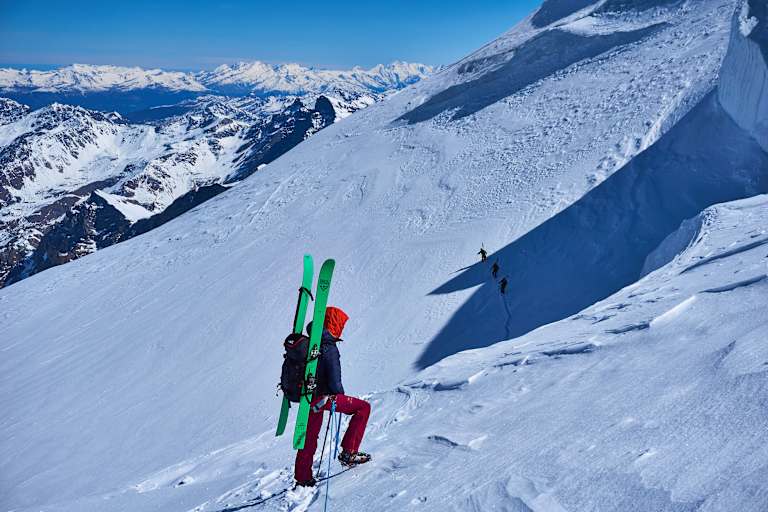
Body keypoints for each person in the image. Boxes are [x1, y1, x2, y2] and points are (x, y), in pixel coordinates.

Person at [294, 306, 371, 487]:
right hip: (325, 397)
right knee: (363, 408)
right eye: (340, 324)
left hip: (308, 397)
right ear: (333, 323)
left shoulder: (311, 342)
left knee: (310, 436)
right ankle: (349, 453)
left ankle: (303, 477)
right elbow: (335, 379)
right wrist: (339, 397)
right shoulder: (328, 346)